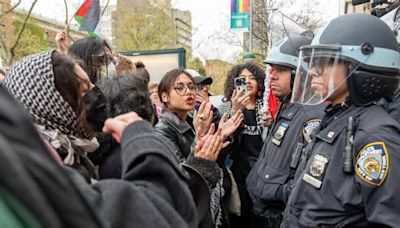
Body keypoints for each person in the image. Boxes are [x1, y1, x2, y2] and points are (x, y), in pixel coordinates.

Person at [0, 82, 208, 227]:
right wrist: (142, 140)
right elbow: (160, 211)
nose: (94, 97)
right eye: (82, 89)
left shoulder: (78, 155)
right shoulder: (32, 161)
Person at [282, 14, 400, 227]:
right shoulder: (337, 118)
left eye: (323, 62)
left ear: (358, 66)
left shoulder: (375, 134)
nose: (312, 71)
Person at [245, 35, 326, 227]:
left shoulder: (312, 116)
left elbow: (308, 182)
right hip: (266, 214)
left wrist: (275, 193)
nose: (271, 76)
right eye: (272, 69)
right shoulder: (288, 106)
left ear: (302, 74)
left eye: (281, 70)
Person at [3, 51, 103, 182]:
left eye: (91, 85)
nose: (97, 94)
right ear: (55, 107)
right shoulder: (47, 171)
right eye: (85, 91)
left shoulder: (74, 153)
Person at [218, 63, 266, 228]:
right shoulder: (225, 107)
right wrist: (235, 110)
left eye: (252, 78)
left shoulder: (267, 108)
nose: (248, 82)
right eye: (242, 79)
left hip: (263, 176)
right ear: (234, 83)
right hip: (238, 176)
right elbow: (223, 142)